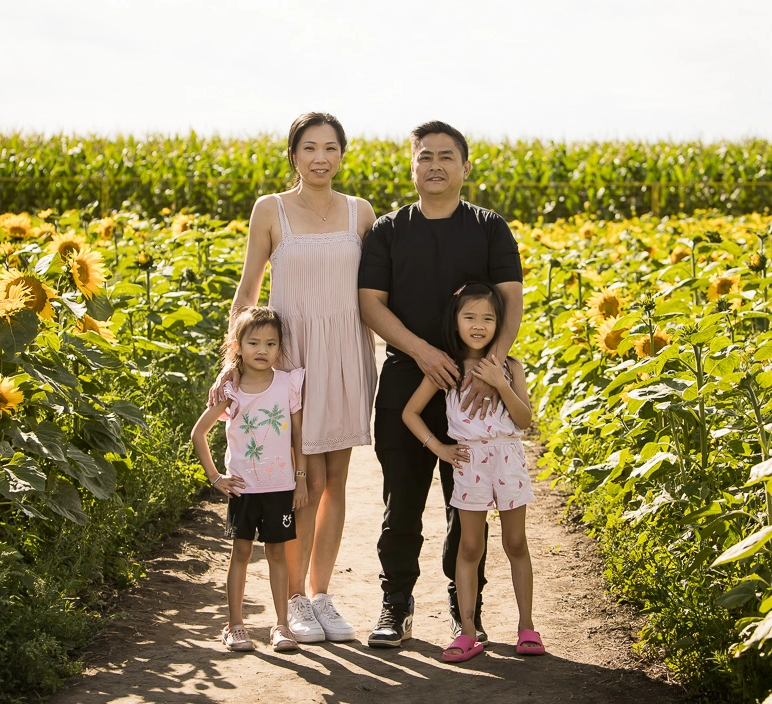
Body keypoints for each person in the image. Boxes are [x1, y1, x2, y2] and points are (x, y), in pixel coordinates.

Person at [211, 112, 377, 643]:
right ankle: (297, 601)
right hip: (291, 360)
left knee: (337, 482)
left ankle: (322, 596)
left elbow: (375, 294)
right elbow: (248, 291)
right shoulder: (271, 209)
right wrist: (230, 363)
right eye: (310, 148)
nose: (321, 158)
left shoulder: (361, 213)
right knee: (303, 485)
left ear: (343, 155)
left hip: (346, 352)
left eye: (331, 148)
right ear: (294, 154)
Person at [358, 121, 524, 648]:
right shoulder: (388, 230)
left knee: (467, 506)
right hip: (409, 377)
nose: (435, 164)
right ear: (413, 166)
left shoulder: (490, 228)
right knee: (401, 499)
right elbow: (370, 304)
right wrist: (423, 351)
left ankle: (463, 607)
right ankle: (395, 603)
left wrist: (490, 369)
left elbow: (510, 299)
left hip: (474, 385)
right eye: (424, 156)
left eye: (446, 156)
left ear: (465, 167)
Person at [402, 282, 543, 662]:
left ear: (500, 324)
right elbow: (409, 413)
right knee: (469, 547)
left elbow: (525, 420)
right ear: (456, 321)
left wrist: (501, 383)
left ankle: (526, 626)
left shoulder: (510, 366)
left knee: (516, 544)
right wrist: (441, 449)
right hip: (470, 464)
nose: (478, 325)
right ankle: (467, 631)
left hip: (508, 459)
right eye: (470, 317)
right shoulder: (446, 368)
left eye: (488, 318)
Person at [191, 307, 307, 653]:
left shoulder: (288, 383)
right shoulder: (232, 391)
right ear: (237, 345)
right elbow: (199, 434)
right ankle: (235, 625)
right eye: (253, 342)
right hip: (243, 489)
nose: (262, 349)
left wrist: (300, 479)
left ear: (279, 348)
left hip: (280, 487)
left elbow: (297, 436)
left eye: (271, 343)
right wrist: (215, 478)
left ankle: (282, 626)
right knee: (240, 552)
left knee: (277, 554)